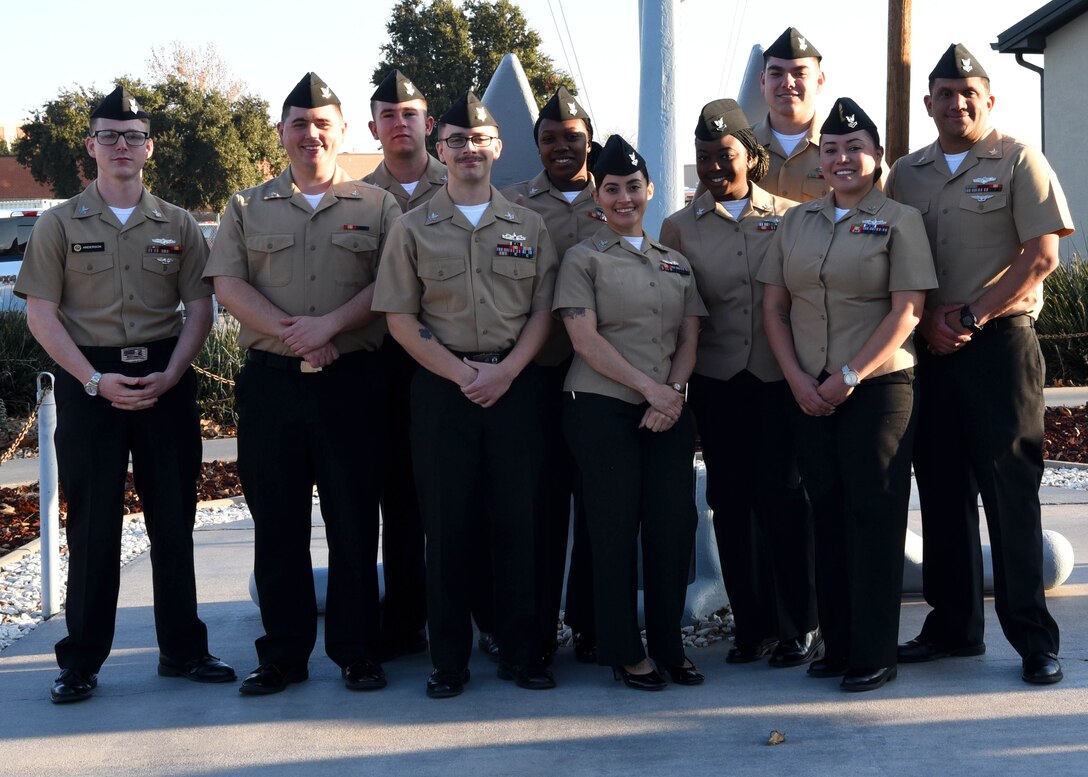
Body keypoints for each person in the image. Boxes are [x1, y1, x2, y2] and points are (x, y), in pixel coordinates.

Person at [16, 85, 234, 703]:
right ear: (91, 146)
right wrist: (91, 380)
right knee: (93, 526)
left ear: (150, 148)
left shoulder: (179, 223)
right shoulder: (59, 223)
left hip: (166, 378)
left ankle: (183, 650)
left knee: (174, 520)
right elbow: (41, 314)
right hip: (90, 383)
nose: (121, 146)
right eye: (109, 136)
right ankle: (81, 660)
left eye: (133, 136)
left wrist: (171, 375)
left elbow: (199, 307)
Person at [204, 73, 400, 695]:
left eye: (323, 124)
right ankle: (283, 654)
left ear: (342, 131)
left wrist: (330, 327)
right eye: (298, 124)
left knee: (353, 520)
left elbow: (390, 284)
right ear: (282, 133)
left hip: (352, 382)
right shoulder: (244, 206)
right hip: (272, 386)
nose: (311, 134)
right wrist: (297, 335)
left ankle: (357, 651)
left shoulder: (378, 206)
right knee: (279, 522)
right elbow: (228, 286)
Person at [886, 44, 1072, 685]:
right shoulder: (905, 173)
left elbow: (1041, 255)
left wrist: (969, 317)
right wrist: (929, 326)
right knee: (940, 492)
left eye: (968, 92)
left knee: (1008, 493)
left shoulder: (1019, 157)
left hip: (998, 344)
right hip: (928, 350)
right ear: (928, 103)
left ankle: (1032, 640)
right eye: (944, 93)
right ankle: (953, 627)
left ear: (989, 99)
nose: (956, 102)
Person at [372, 91, 559, 698]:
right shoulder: (411, 227)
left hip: (515, 387)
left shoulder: (529, 226)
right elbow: (400, 317)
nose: (469, 150)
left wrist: (505, 373)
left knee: (519, 523)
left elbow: (541, 313)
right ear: (441, 148)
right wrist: (461, 375)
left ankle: (523, 652)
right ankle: (447, 659)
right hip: (443, 392)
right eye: (456, 140)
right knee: (447, 529)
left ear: (498, 147)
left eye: (480, 140)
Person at [759, 98, 937, 691]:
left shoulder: (900, 220)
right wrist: (797, 380)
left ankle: (875, 651)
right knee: (826, 515)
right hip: (807, 390)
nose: (841, 158)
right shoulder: (797, 223)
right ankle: (837, 645)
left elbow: (908, 309)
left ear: (877, 156)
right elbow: (775, 308)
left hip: (879, 388)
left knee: (873, 515)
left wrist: (850, 376)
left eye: (854, 147)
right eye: (831, 148)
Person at [660, 99, 820, 670]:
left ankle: (798, 622)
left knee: (783, 497)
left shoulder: (793, 214)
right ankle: (752, 627)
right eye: (703, 157)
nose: (713, 167)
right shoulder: (678, 227)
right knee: (730, 502)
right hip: (719, 379)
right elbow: (676, 306)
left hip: (779, 376)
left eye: (724, 155)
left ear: (750, 157)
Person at [557, 135, 707, 691]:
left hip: (666, 409)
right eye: (612, 188)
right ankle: (623, 648)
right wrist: (653, 390)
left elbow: (690, 336)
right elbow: (584, 339)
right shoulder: (584, 258)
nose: (624, 198)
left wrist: (672, 392)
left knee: (672, 527)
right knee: (613, 529)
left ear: (649, 190)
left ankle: (669, 644)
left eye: (634, 188)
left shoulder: (676, 263)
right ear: (598, 195)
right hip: (601, 407)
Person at [502, 86, 603, 664]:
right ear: (535, 145)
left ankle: (592, 625)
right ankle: (534, 632)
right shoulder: (512, 205)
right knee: (536, 506)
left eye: (572, 137)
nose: (561, 147)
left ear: (589, 139)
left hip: (598, 373)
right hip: (535, 372)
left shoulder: (614, 197)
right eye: (549, 138)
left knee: (596, 503)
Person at [363, 68, 441, 661]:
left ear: (428, 124)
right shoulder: (357, 198)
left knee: (466, 493)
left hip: (455, 362)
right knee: (395, 494)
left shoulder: (470, 184)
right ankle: (405, 615)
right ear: (373, 127)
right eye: (388, 116)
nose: (399, 124)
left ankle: (472, 612)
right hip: (382, 366)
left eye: (409, 114)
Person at [753, 27, 829, 202]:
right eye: (776, 73)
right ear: (763, 81)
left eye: (799, 73)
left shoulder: (849, 150)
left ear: (819, 82)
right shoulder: (739, 148)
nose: (787, 83)